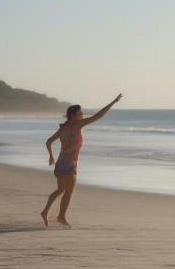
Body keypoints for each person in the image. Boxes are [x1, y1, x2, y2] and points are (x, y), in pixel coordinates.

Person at [40, 94, 122, 227]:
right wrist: (113, 102)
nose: (82, 115)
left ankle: (45, 212)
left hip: (60, 164)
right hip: (69, 164)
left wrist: (51, 156)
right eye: (80, 113)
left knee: (60, 190)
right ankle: (61, 216)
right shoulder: (77, 125)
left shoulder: (63, 128)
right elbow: (98, 116)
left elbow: (49, 142)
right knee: (68, 192)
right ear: (73, 115)